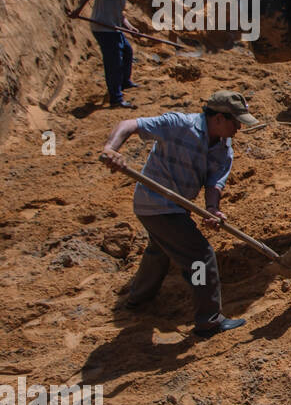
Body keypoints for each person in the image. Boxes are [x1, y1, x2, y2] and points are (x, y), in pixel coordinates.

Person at [100, 91, 257, 337]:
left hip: (176, 207)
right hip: (154, 204)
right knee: (200, 258)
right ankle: (209, 320)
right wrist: (111, 149)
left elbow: (214, 183)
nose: (239, 128)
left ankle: (138, 299)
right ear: (218, 118)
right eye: (236, 122)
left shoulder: (224, 149)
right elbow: (129, 125)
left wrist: (213, 209)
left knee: (160, 249)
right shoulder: (179, 124)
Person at [68, 0, 140, 110]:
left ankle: (124, 82)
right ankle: (116, 99)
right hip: (105, 30)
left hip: (114, 28)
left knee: (127, 51)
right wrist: (78, 10)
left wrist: (130, 28)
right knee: (113, 64)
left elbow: (119, 13)